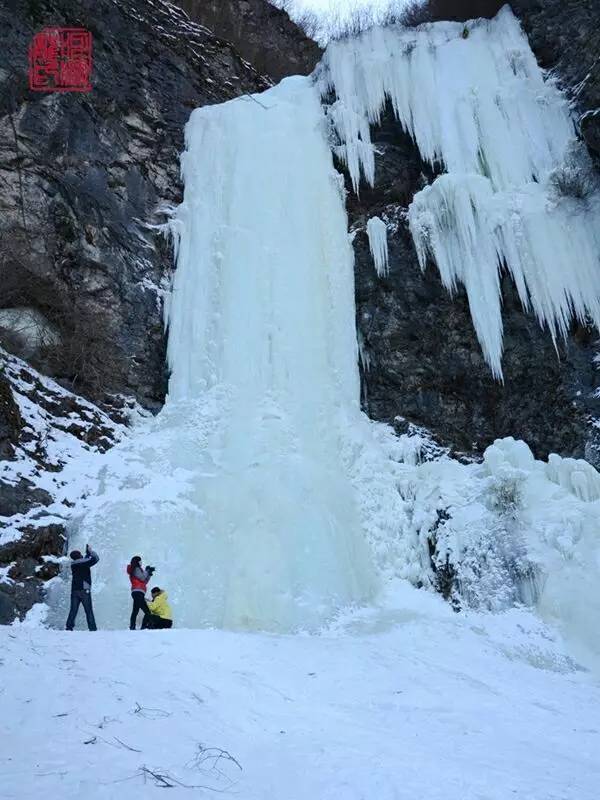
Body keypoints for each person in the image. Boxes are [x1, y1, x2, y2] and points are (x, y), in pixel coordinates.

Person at [65, 544, 99, 631]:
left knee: (73, 610)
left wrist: (87, 554)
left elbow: (86, 560)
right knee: (89, 611)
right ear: (79, 556)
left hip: (75, 590)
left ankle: (69, 627)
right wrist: (90, 551)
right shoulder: (83, 562)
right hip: (84, 590)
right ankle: (92, 628)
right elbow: (95, 559)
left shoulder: (74, 564)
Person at [127, 556, 155, 630]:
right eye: (140, 561)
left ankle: (132, 627)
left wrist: (149, 574)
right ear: (137, 561)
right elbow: (142, 578)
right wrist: (147, 570)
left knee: (135, 610)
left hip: (139, 592)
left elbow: (144, 582)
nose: (141, 562)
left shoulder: (138, 570)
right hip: (137, 592)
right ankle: (145, 627)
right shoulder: (136, 569)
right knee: (147, 611)